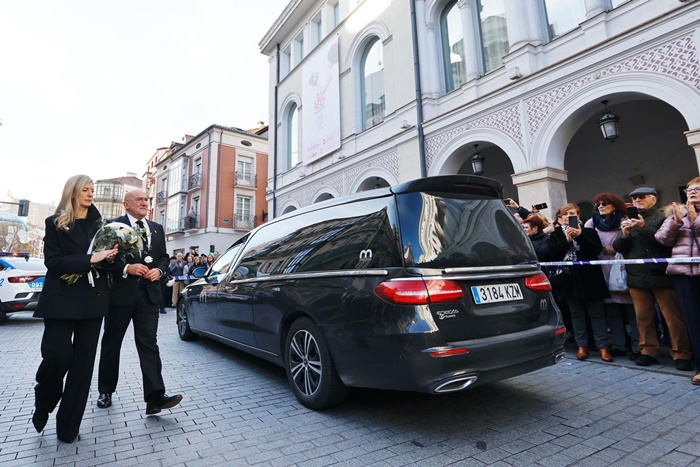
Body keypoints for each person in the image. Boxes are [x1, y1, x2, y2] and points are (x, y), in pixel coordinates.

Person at [31, 175, 119, 443]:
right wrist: (90, 259)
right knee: (57, 355)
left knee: (82, 367)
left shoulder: (102, 227)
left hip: (93, 301)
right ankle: (45, 399)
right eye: (85, 190)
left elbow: (109, 265)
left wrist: (113, 257)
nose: (90, 194)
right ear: (72, 192)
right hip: (60, 300)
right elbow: (53, 263)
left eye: (93, 190)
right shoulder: (55, 223)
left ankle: (68, 428)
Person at [96, 189, 183, 414]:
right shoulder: (113, 226)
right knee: (111, 343)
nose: (145, 202)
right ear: (126, 204)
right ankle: (105, 390)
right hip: (120, 296)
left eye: (147, 199)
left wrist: (159, 271)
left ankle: (155, 397)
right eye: (140, 199)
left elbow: (164, 257)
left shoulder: (156, 228)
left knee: (149, 344)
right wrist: (126, 267)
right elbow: (102, 258)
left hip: (149, 296)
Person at [613, 187, 692, 370]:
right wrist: (624, 235)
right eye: (634, 198)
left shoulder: (663, 217)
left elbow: (664, 241)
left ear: (653, 200)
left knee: (673, 318)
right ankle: (648, 351)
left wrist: (643, 228)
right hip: (637, 276)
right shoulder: (628, 220)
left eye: (642, 197)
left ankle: (682, 353)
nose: (637, 201)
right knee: (643, 318)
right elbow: (618, 247)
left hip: (661, 275)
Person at [552, 203, 613, 362]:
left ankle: (603, 347)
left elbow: (596, 249)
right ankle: (582, 346)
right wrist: (567, 240)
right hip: (571, 281)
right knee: (576, 314)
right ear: (560, 218)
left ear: (578, 216)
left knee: (597, 313)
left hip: (591, 278)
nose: (568, 216)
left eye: (572, 213)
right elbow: (553, 254)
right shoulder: (557, 234)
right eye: (565, 214)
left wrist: (580, 236)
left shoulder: (589, 232)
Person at [655, 177, 700, 382]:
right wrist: (677, 220)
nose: (692, 192)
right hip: (683, 273)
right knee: (693, 320)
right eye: (689, 189)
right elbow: (662, 239)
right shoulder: (678, 213)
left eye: (697, 189)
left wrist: (695, 219)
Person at [585, 193, 640, 360]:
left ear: (615, 206)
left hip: (623, 267)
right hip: (602, 268)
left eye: (605, 203)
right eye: (599, 204)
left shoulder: (624, 220)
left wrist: (617, 248)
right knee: (612, 310)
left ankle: (638, 346)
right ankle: (618, 345)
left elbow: (634, 241)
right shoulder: (591, 223)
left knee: (633, 311)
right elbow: (587, 242)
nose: (601, 206)